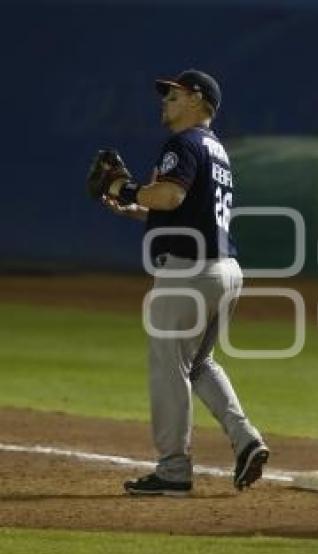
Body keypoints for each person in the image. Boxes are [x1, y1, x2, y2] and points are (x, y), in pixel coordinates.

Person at [91, 69, 269, 495]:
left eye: (173, 95)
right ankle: (246, 440)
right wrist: (131, 203)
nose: (165, 101)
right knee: (200, 363)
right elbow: (177, 208)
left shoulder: (184, 143)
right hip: (225, 272)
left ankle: (173, 471)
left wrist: (124, 185)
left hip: (188, 273)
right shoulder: (217, 150)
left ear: (197, 100)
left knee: (169, 367)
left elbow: (169, 196)